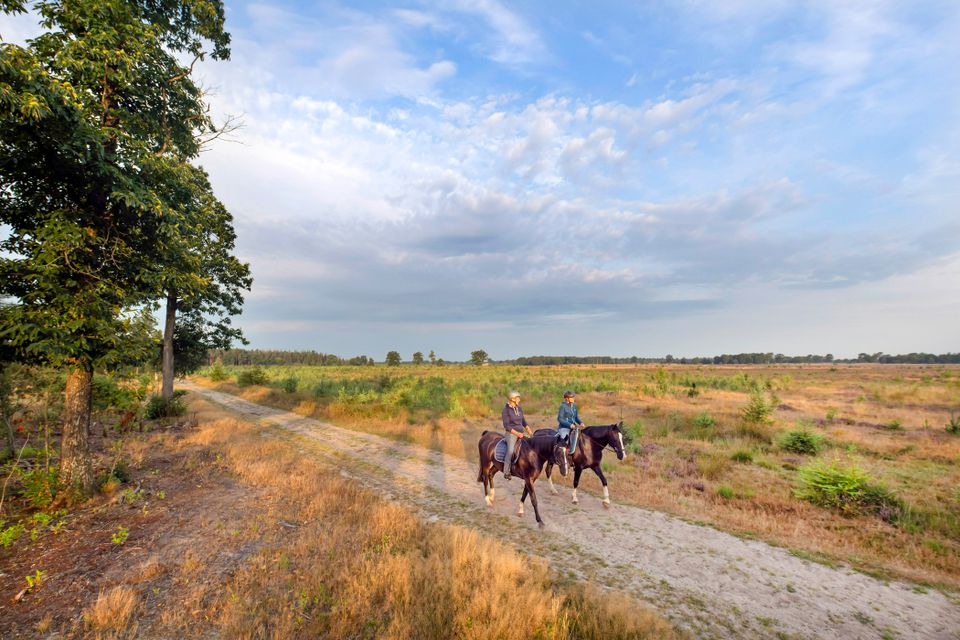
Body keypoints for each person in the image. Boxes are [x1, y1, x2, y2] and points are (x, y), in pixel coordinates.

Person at [501, 390, 531, 479]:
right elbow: (507, 426)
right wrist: (517, 433)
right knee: (510, 451)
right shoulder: (506, 410)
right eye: (518, 398)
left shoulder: (519, 408)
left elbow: (523, 421)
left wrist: (528, 430)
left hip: (521, 433)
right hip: (511, 434)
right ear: (513, 399)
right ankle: (506, 471)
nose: (519, 400)